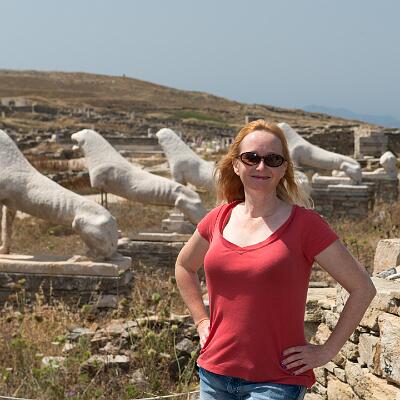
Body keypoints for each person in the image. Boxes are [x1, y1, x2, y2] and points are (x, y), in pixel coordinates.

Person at [175, 120, 376, 400]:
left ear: (284, 169)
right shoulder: (218, 218)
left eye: (273, 159)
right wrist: (200, 321)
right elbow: (184, 266)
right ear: (236, 165)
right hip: (214, 375)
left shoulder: (306, 225)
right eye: (251, 158)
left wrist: (327, 351)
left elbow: (363, 287)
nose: (261, 166)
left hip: (276, 382)